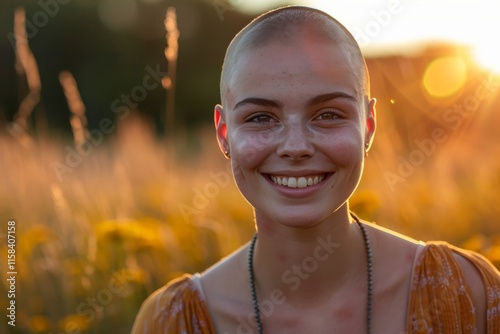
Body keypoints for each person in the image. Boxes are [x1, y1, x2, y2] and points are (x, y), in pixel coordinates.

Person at [132, 5, 500, 334]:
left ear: (368, 126)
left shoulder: (467, 294)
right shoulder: (172, 322)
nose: (296, 147)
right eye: (261, 118)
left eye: (328, 115)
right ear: (224, 134)